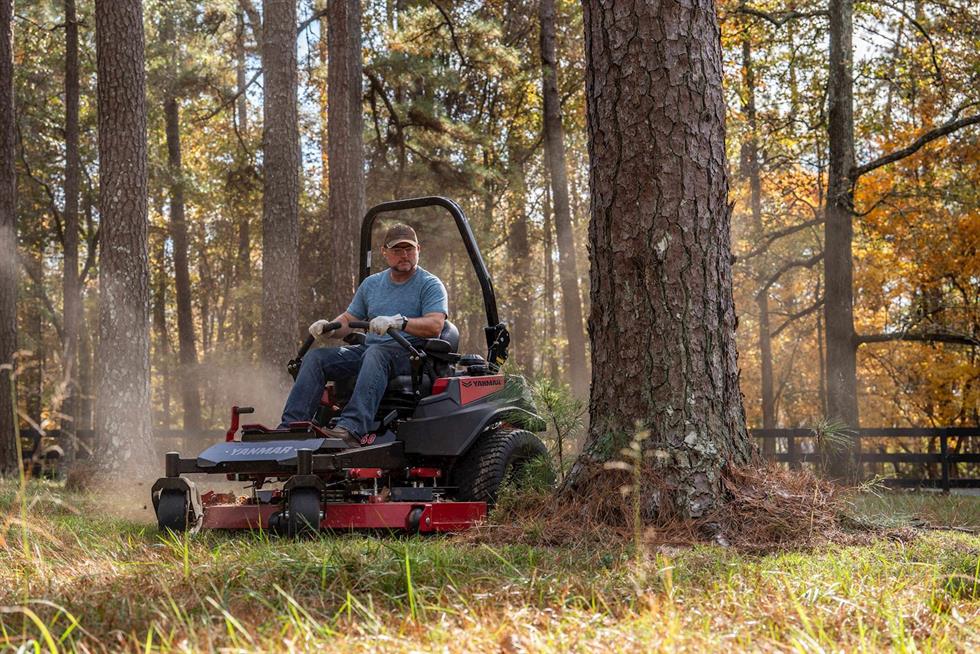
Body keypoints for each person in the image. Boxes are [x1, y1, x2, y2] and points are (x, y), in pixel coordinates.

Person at [279, 223, 448, 447]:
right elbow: (349, 320)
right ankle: (292, 426)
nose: (404, 255)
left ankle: (351, 428)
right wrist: (328, 328)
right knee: (317, 358)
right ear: (384, 252)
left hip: (410, 357)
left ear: (419, 249)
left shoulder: (430, 284)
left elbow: (435, 325)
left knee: (376, 352)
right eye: (397, 250)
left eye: (409, 249)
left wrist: (399, 322)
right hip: (371, 352)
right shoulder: (372, 285)